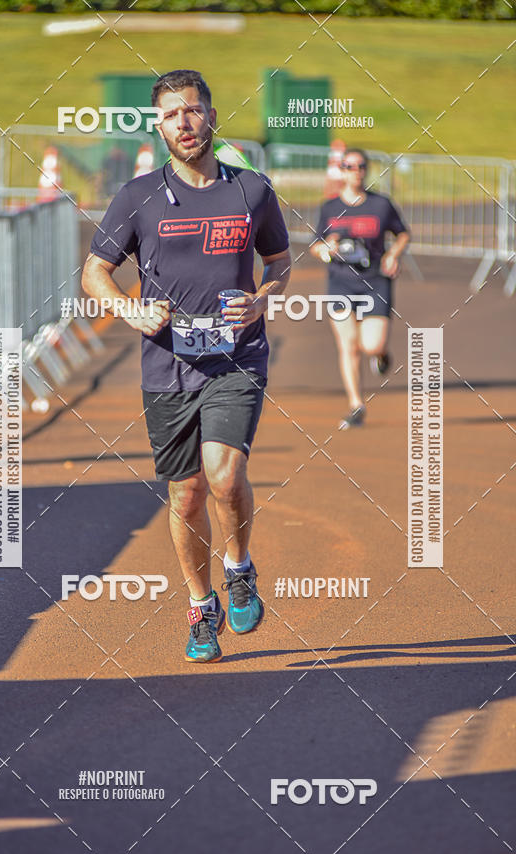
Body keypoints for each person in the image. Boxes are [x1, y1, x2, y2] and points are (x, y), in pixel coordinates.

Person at [82, 70, 291, 662]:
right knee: (187, 494)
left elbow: (280, 263)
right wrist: (129, 311)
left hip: (236, 358)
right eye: (173, 114)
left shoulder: (251, 191)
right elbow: (95, 273)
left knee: (224, 477)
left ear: (212, 115)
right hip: (168, 366)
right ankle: (202, 605)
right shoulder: (138, 197)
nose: (185, 123)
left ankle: (240, 566)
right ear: (159, 125)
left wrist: (261, 301)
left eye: (194, 111)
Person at [310, 148, 410, 429]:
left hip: (375, 280)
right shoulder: (329, 207)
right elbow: (315, 245)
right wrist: (326, 250)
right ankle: (356, 404)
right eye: (349, 166)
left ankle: (381, 355)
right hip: (341, 281)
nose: (355, 171)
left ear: (366, 170)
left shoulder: (381, 205)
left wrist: (393, 255)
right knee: (348, 345)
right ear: (340, 170)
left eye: (360, 166)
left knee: (371, 344)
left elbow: (402, 233)